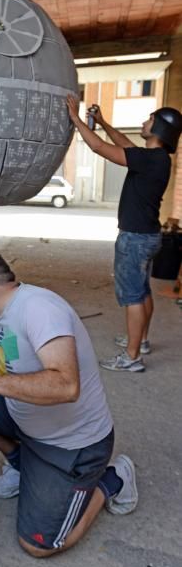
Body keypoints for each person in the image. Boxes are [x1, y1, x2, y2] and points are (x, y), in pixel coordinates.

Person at [0, 247, 137, 558]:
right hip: (29, 421)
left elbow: (66, 384)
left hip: (73, 445)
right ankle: (22, 466)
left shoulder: (38, 309)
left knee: (38, 544)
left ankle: (114, 479)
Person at [66, 96, 182, 372]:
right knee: (141, 292)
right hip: (147, 237)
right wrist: (103, 121)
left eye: (149, 119)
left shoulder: (151, 160)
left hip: (135, 239)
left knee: (132, 297)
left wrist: (75, 118)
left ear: (160, 130)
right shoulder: (156, 159)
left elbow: (97, 147)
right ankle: (140, 340)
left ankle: (132, 357)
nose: (144, 122)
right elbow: (123, 144)